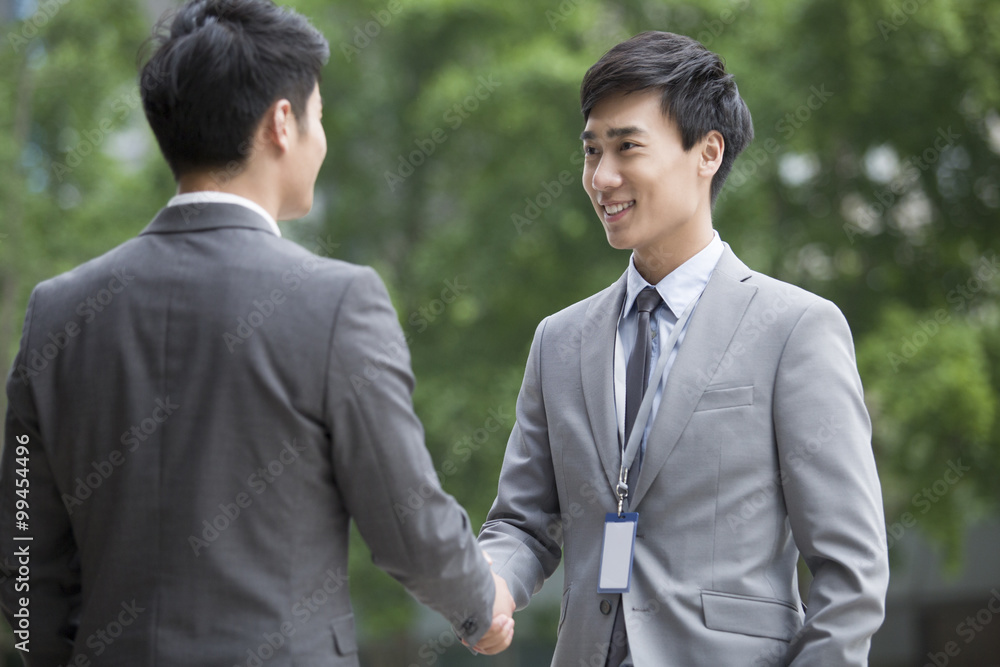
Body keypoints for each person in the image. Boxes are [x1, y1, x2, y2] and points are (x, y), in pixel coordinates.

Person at [0, 1, 513, 665]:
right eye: (318, 116)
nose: (321, 139)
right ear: (281, 122)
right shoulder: (336, 302)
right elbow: (406, 515)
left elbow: (22, 553)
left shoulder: (56, 311)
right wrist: (481, 601)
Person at [478, 31, 888, 666]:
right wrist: (489, 586)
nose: (601, 177)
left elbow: (851, 573)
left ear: (708, 152)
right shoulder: (557, 341)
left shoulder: (795, 329)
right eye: (591, 151)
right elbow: (521, 525)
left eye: (627, 148)